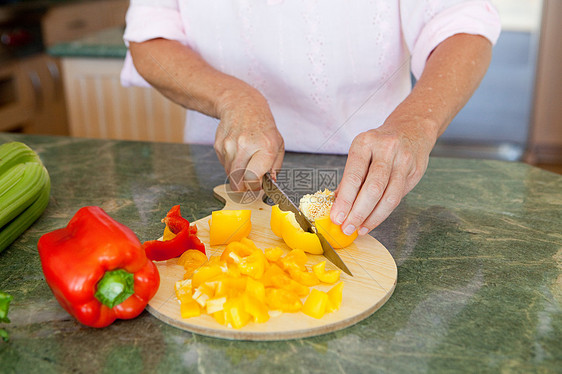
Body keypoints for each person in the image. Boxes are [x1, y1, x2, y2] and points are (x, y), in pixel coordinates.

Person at [121, 0, 501, 237]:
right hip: (223, 170)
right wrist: (232, 97)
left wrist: (417, 122)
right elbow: (149, 37)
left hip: (374, 177)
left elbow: (461, 23)